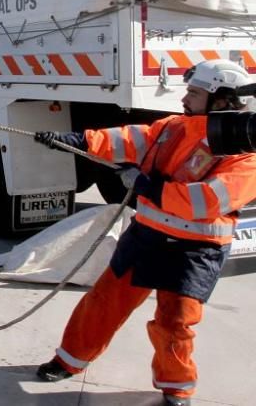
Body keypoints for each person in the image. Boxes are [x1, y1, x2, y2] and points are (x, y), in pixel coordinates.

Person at [32, 59, 256, 406]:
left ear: (222, 101)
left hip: (194, 251)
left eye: (194, 93)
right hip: (147, 235)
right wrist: (78, 139)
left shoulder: (245, 155)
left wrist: (149, 188)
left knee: (174, 323)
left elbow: (208, 200)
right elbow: (132, 138)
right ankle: (69, 360)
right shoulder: (174, 126)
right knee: (104, 302)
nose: (185, 98)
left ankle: (177, 387)